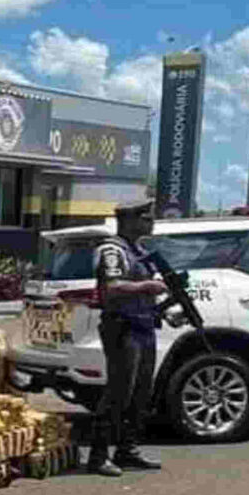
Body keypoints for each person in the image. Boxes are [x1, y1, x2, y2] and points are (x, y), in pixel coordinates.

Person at [88, 199, 167, 477]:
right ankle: (98, 456)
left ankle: (127, 450)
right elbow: (112, 288)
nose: (151, 223)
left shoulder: (140, 251)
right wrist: (147, 286)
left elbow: (144, 295)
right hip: (122, 328)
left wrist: (164, 310)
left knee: (141, 392)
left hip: (144, 326)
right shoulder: (112, 250)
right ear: (129, 221)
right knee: (119, 392)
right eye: (146, 218)